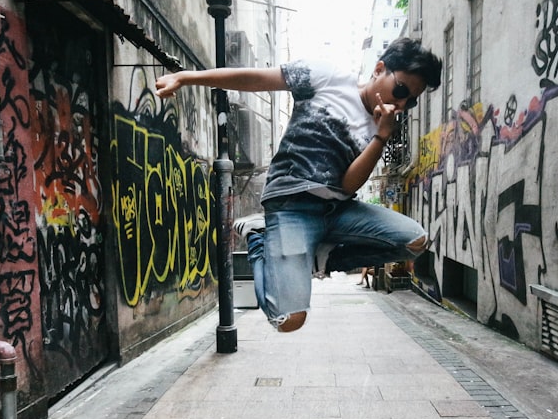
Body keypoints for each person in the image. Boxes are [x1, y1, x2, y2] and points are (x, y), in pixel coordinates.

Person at [155, 38, 442, 332]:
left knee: (414, 240)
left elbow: (348, 184)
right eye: (402, 90)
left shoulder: (382, 125)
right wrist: (186, 77)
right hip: (292, 207)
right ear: (379, 69)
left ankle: (324, 258)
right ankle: (258, 237)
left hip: (338, 210)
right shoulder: (330, 79)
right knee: (288, 321)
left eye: (412, 100)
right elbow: (256, 79)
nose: (402, 103)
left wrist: (381, 136)